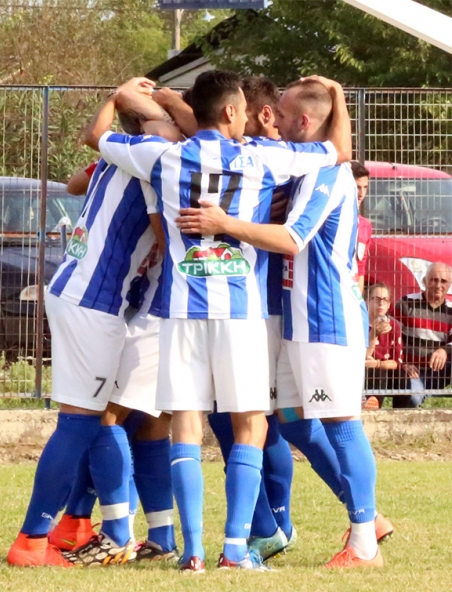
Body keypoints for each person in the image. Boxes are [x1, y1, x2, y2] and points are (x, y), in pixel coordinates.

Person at [100, 70, 350, 571]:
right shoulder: (263, 157)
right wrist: (338, 96)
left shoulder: (164, 157)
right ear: (233, 111)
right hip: (240, 312)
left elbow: (99, 139)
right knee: (250, 424)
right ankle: (234, 548)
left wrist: (122, 98)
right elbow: (339, 150)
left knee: (186, 425)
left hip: (180, 309)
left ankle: (192, 551)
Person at [179, 76, 386, 568]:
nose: (274, 121)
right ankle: (358, 519)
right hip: (297, 319)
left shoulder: (327, 175)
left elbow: (293, 240)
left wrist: (225, 224)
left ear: (305, 122)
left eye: (285, 115)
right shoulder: (303, 167)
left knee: (342, 423)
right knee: (292, 420)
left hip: (326, 317)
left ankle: (365, 539)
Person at [8, 77, 184, 569]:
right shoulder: (155, 153)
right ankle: (34, 541)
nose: (180, 126)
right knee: (84, 422)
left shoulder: (125, 151)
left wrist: (117, 101)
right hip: (96, 301)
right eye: (171, 118)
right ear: (152, 124)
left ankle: (78, 525)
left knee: (105, 418)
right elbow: (166, 239)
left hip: (83, 294)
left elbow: (77, 180)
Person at [203, 76, 300, 563]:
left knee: (239, 418)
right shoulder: (265, 160)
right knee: (259, 420)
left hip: (258, 307)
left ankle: (268, 524)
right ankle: (275, 523)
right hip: (257, 305)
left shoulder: (266, 156)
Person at [395, 262, 452, 408]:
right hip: (410, 369)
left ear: (449, 285)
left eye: (443, 281)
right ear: (424, 281)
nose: (438, 285)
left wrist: (444, 350)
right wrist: (402, 363)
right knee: (413, 397)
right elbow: (391, 337)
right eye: (434, 279)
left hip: (439, 372)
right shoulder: (406, 303)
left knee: (414, 395)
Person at [364, 283, 406, 409]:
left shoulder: (394, 326)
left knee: (403, 378)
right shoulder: (359, 323)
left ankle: (401, 414)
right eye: (376, 299)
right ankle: (373, 408)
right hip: (364, 370)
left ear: (389, 305)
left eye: (385, 300)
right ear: (367, 301)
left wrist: (378, 363)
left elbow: (397, 362)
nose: (381, 303)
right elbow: (363, 357)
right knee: (376, 373)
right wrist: (373, 335)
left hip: (384, 369)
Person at [352, 161, 372, 291]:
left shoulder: (365, 226)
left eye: (365, 187)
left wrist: (358, 298)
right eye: (357, 187)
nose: (361, 193)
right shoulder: (331, 219)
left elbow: (361, 267)